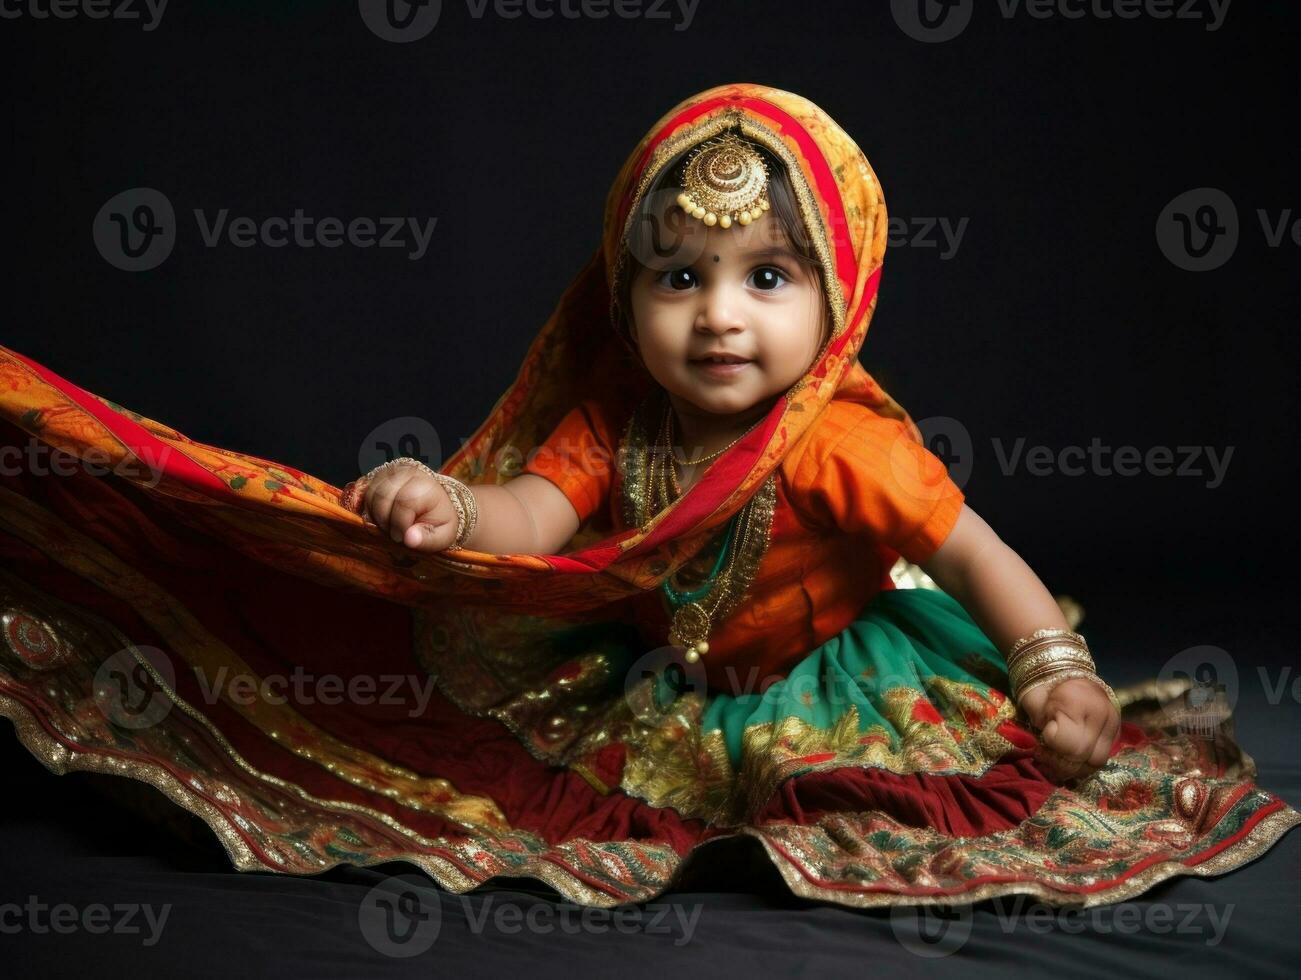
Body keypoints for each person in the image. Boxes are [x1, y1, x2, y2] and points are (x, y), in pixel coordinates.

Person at [1, 83, 1296, 911]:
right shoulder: (616, 418)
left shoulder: (841, 443)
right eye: (676, 277)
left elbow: (972, 556)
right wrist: (448, 510)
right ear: (621, 300)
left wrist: (1052, 669)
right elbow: (530, 527)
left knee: (890, 805)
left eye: (768, 277)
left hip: (828, 680)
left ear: (839, 292)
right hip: (657, 677)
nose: (719, 316)